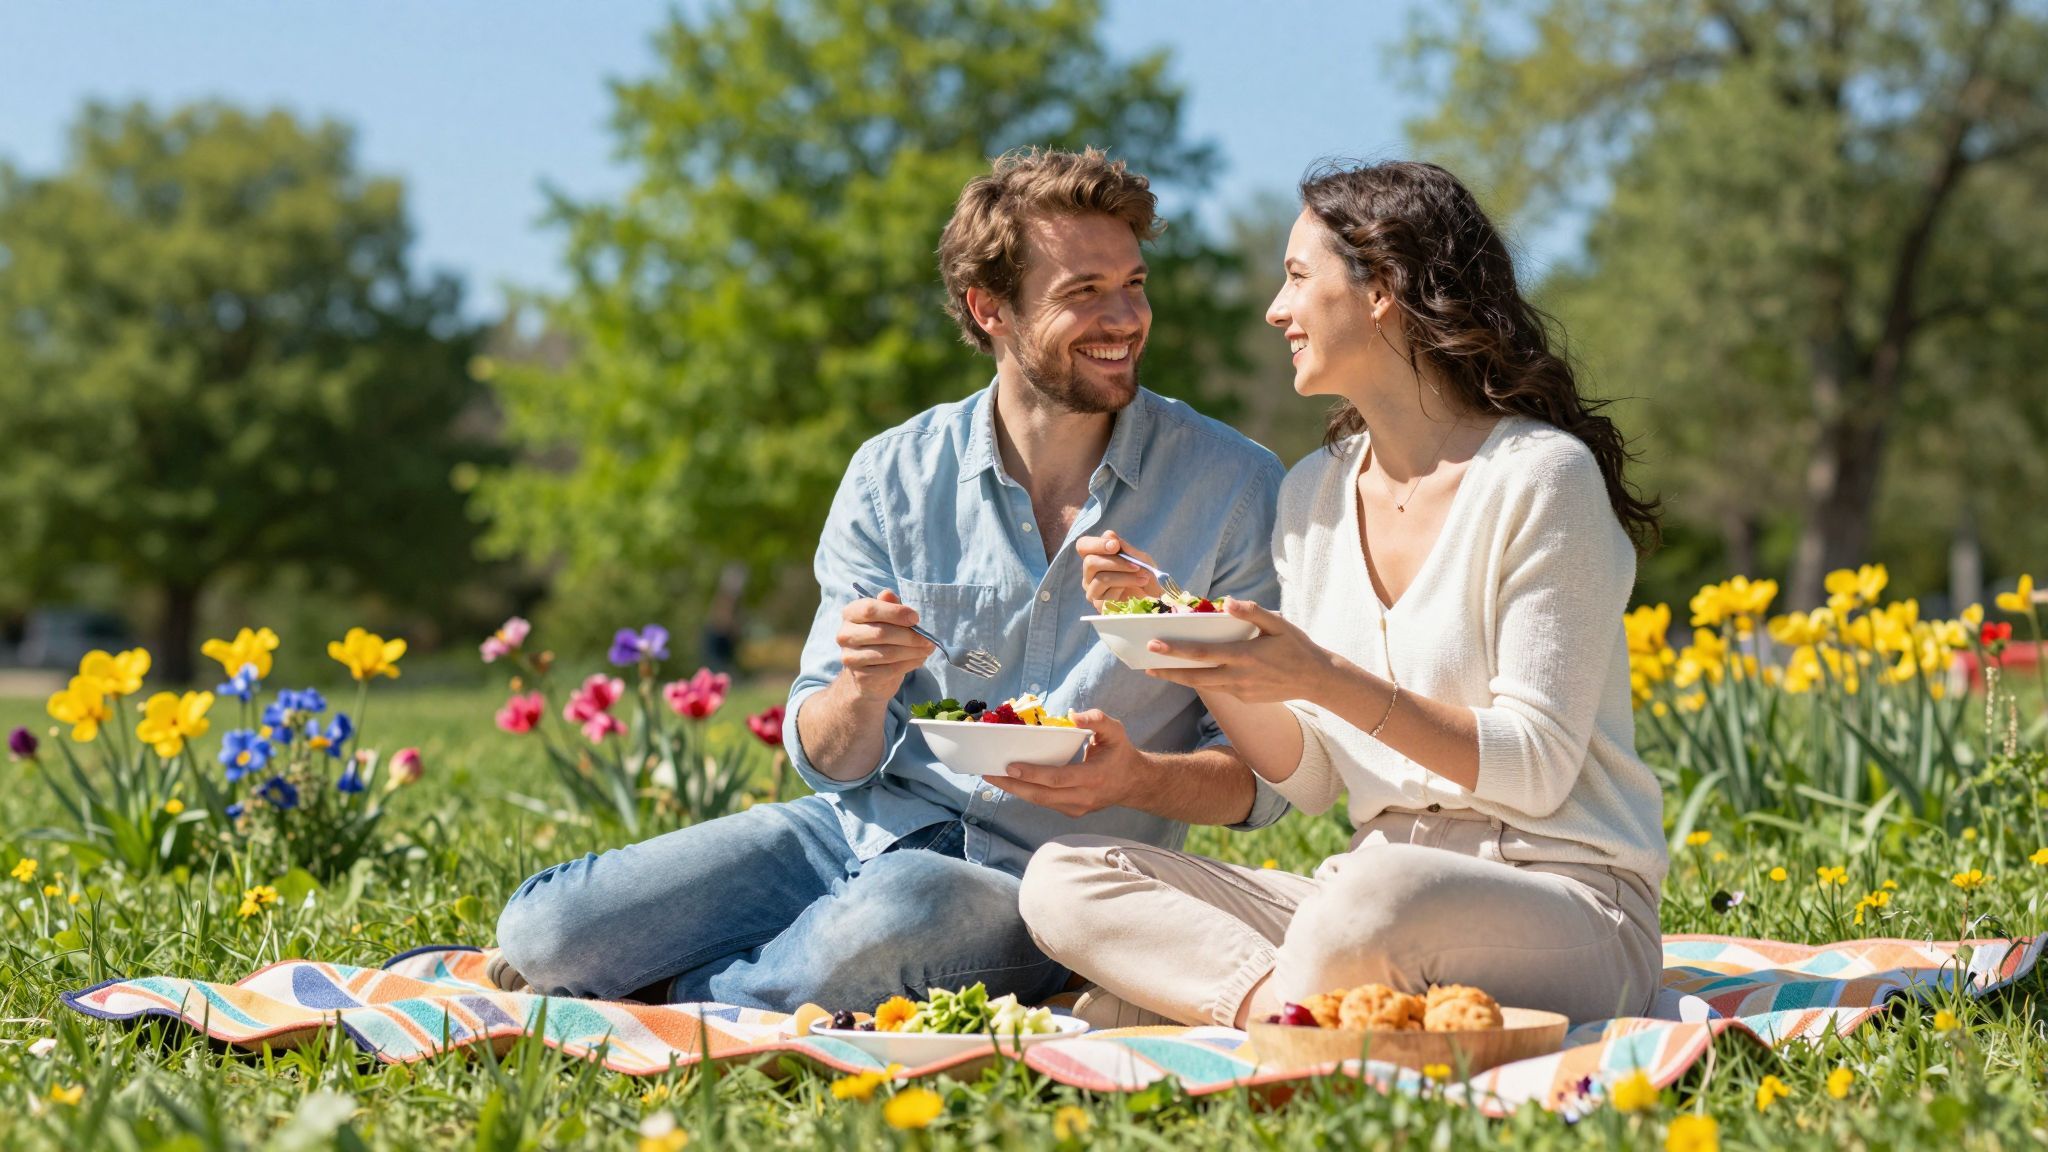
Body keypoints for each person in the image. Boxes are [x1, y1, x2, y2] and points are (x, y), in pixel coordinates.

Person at [490, 148, 1288, 1011]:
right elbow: (826, 757)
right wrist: (862, 691)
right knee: (548, 930)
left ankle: (678, 995)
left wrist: (1132, 778)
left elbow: (1265, 781)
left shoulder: (1233, 486)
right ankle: (730, 984)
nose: (1126, 317)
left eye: (1133, 283)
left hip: (1050, 885)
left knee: (887, 922)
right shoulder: (891, 475)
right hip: (856, 829)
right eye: (1082, 292)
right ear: (992, 311)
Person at [1020, 159, 1669, 1029]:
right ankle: (1290, 1013)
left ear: (1382, 289)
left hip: (1563, 895)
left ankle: (1211, 1003)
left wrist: (1321, 675)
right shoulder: (1312, 495)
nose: (1276, 311)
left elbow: (1535, 767)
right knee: (1064, 879)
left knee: (1377, 898)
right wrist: (1200, 651)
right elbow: (1315, 775)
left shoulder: (1541, 478)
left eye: (1296, 278)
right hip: (1363, 888)